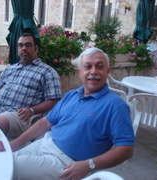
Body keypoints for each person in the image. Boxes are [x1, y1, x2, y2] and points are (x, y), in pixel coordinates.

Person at [10, 47, 135, 180]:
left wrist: (89, 165)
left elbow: (126, 149)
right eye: (88, 67)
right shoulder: (71, 95)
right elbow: (46, 122)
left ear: (107, 71)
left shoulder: (116, 105)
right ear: (79, 73)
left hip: (66, 162)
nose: (93, 71)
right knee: (4, 158)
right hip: (45, 143)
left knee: (11, 166)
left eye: (99, 67)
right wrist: (16, 143)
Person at [0, 32, 62, 139]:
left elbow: (54, 101)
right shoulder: (10, 69)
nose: (24, 48)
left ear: (36, 48)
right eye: (20, 45)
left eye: (28, 45)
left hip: (18, 115)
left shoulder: (48, 72)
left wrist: (32, 110)